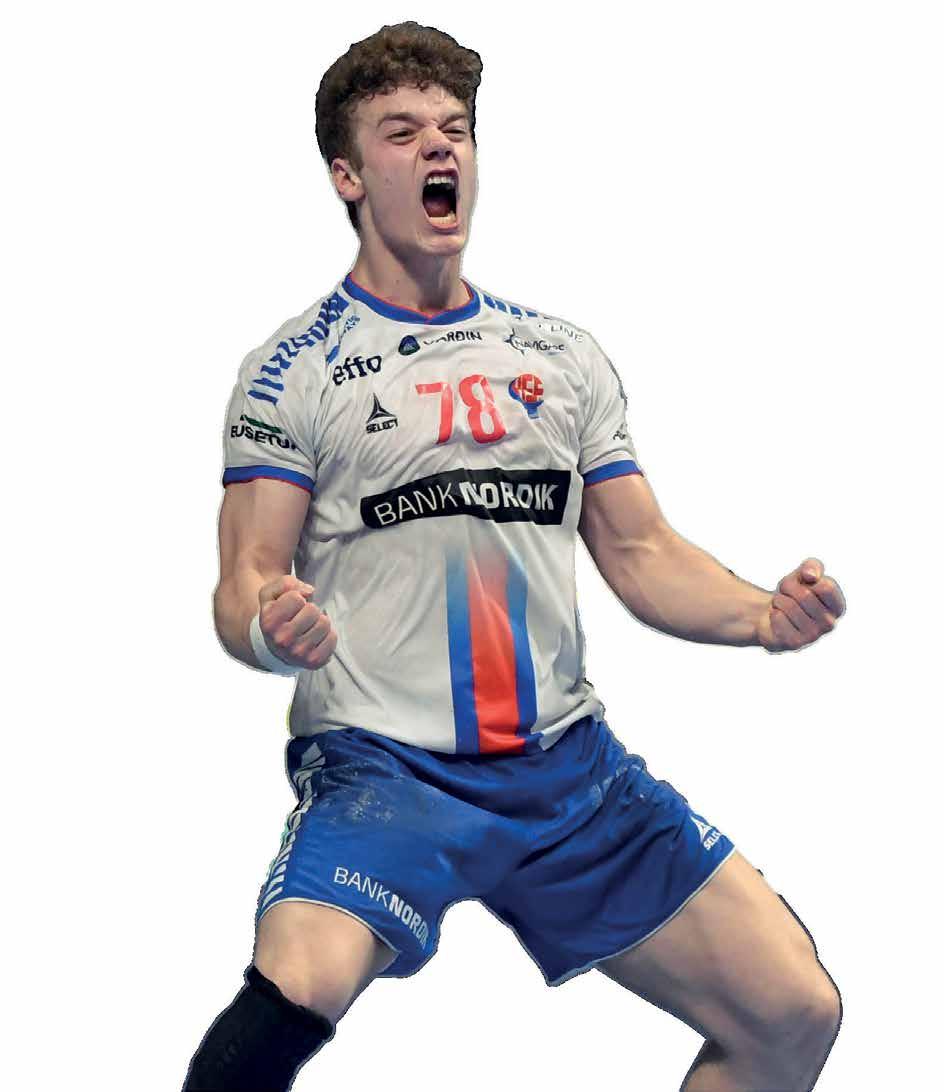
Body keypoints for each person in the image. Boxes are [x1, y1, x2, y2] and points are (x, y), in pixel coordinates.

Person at [183, 21, 846, 1092]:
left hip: (566, 773)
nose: (437, 148)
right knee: (294, 984)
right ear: (347, 176)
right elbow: (243, 583)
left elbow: (640, 550)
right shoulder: (291, 371)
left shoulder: (559, 356)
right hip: (388, 770)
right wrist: (271, 625)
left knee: (794, 1012)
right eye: (402, 132)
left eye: (454, 129)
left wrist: (762, 614)